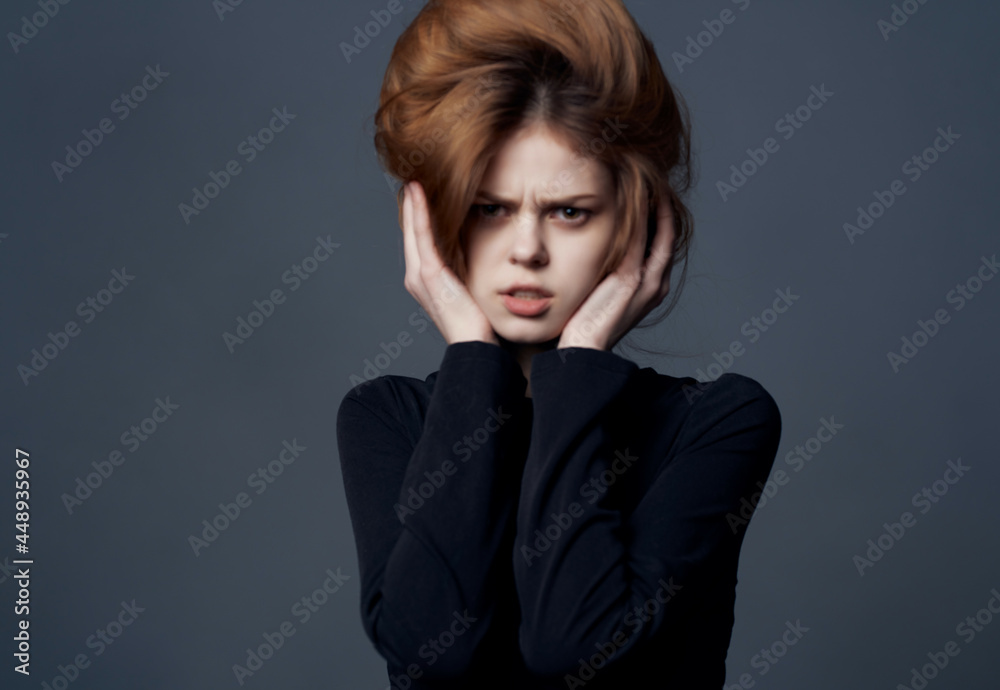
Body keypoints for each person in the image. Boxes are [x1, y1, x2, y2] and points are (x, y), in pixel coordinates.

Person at [336, 1, 782, 687]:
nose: (527, 251)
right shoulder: (388, 418)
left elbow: (574, 649)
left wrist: (578, 363)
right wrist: (471, 353)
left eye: (569, 211)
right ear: (428, 221)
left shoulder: (720, 422)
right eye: (489, 208)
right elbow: (435, 651)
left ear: (635, 221)